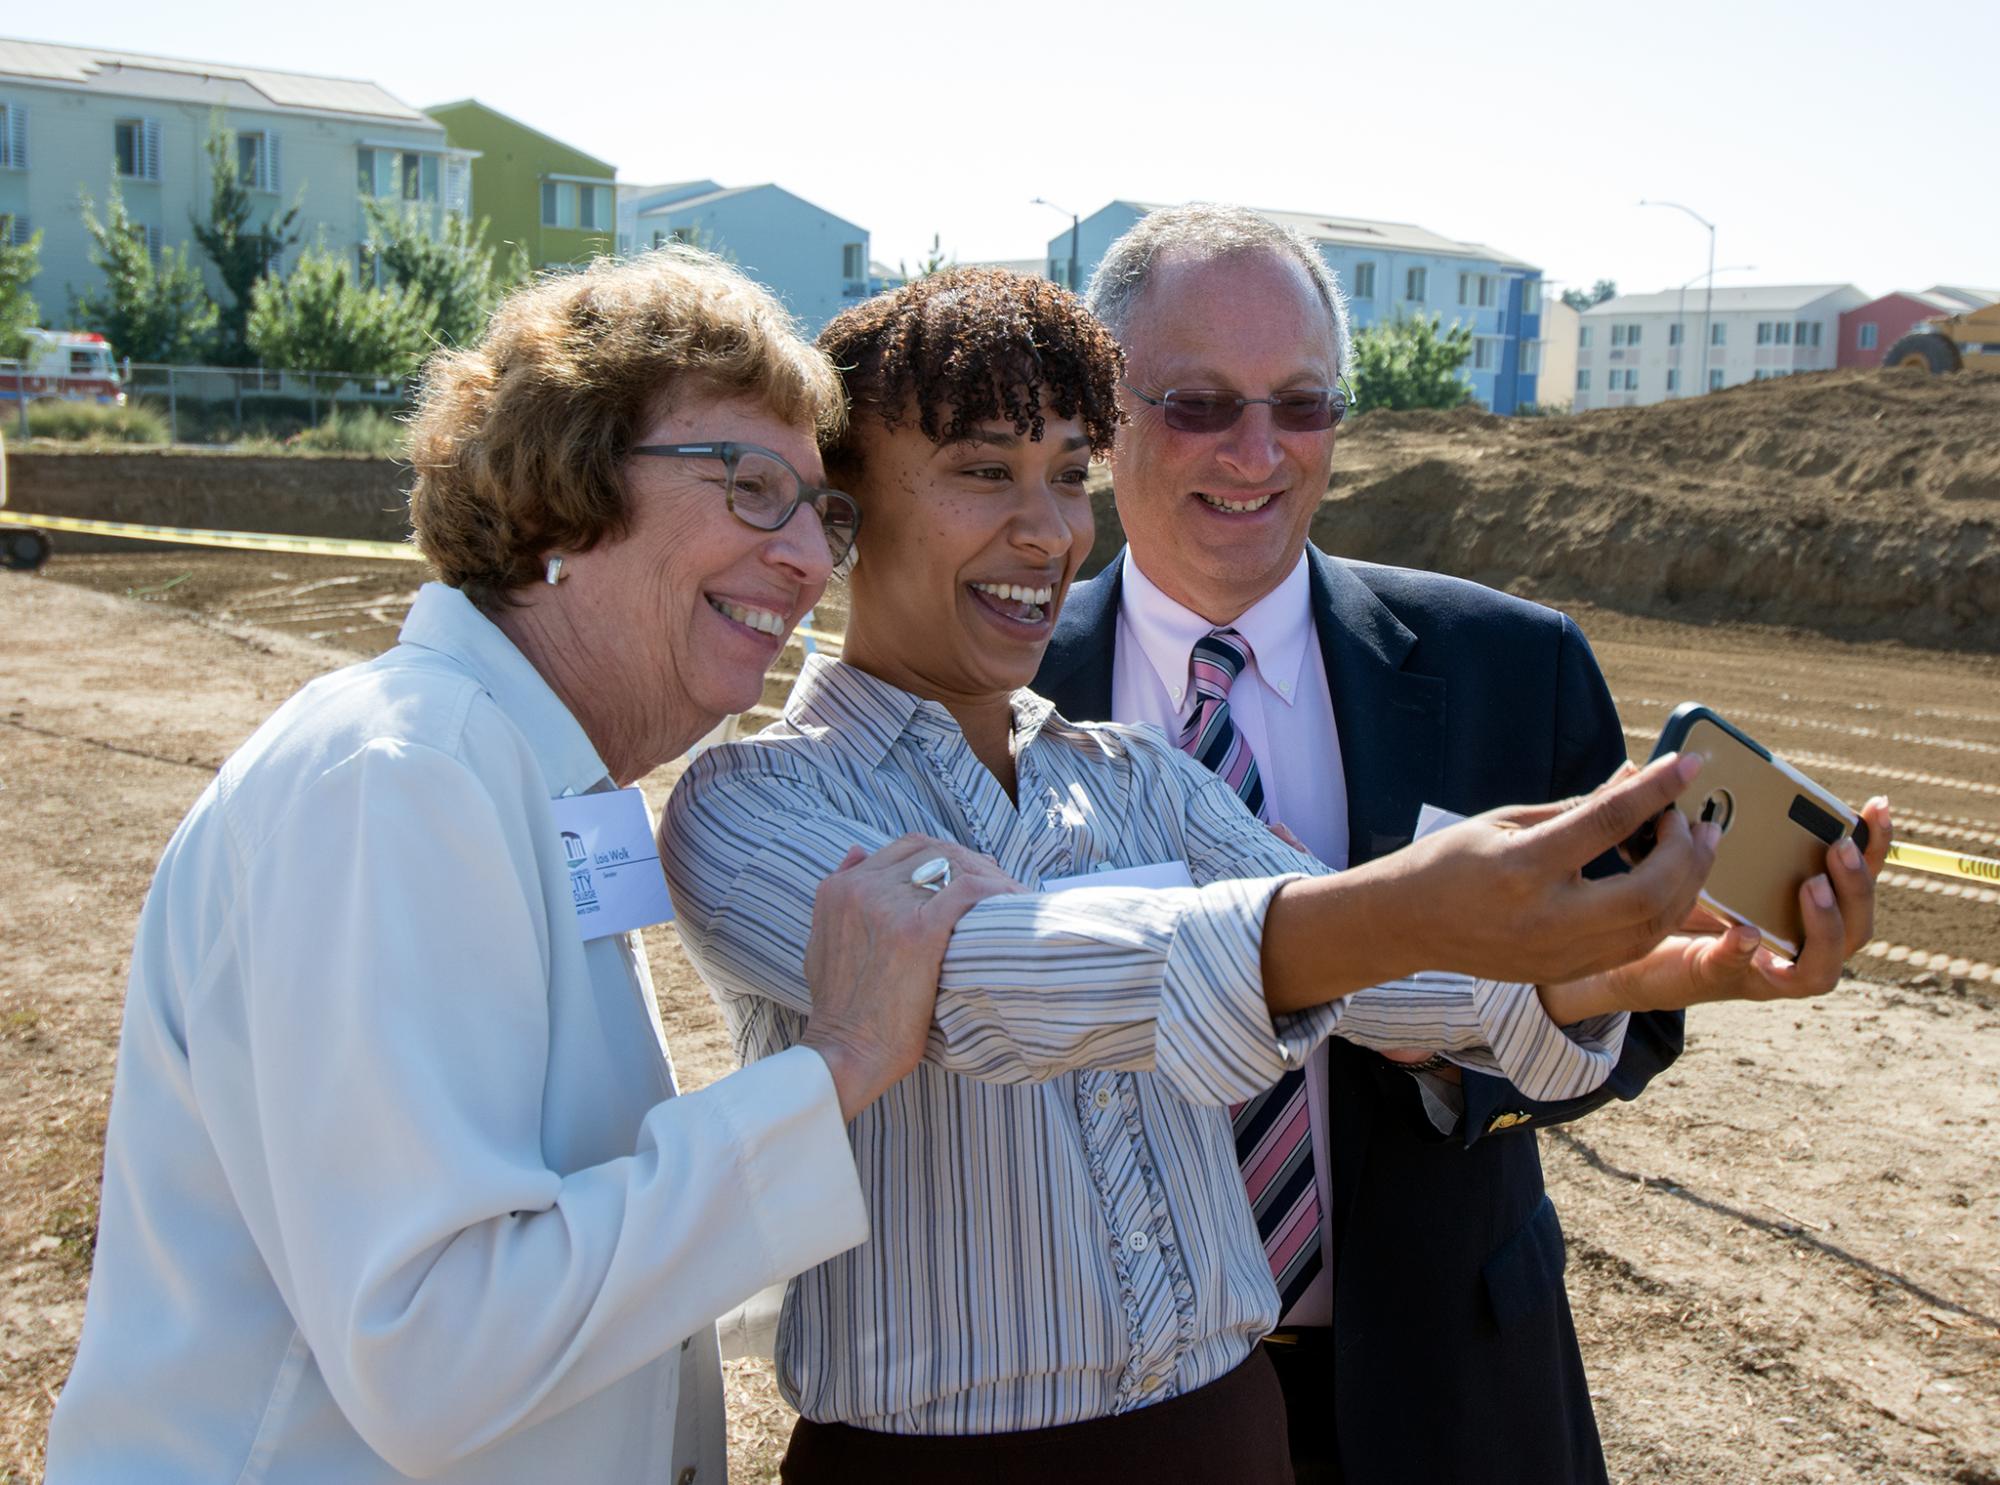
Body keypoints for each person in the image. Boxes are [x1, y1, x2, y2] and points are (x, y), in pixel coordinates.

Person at [657, 267, 1873, 1484]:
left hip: (1223, 1442)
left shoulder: (1137, 775)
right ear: (843, 512)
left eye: (1069, 473)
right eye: (985, 472)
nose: (1048, 531)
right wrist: (1399, 903)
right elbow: (1000, 990)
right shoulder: (756, 800)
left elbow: (1388, 990)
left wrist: (1651, 968)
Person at [44, 248, 1005, 1484]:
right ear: (565, 488)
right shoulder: (398, 779)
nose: (813, 562)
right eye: (751, 486)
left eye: (819, 512)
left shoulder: (528, 774)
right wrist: (841, 1061)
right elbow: (436, 1351)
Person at [1033, 204, 1893, 1484]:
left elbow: (1631, 1022)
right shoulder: (999, 686)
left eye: (1302, 404)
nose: (1257, 451)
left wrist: (1474, 1046)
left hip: (1446, 1389)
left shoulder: (1511, 664)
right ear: (1102, 415)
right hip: (1110, 1400)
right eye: (1199, 404)